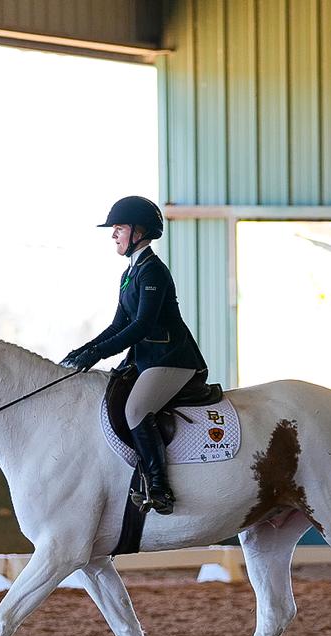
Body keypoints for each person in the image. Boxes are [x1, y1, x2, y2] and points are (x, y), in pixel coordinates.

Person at [61, 196, 207, 515]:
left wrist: (98, 354)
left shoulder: (153, 271)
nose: (113, 234)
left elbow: (142, 325)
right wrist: (84, 350)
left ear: (139, 231)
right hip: (147, 360)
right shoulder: (131, 273)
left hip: (172, 358)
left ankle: (158, 486)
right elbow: (118, 325)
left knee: (136, 410)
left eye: (119, 228)